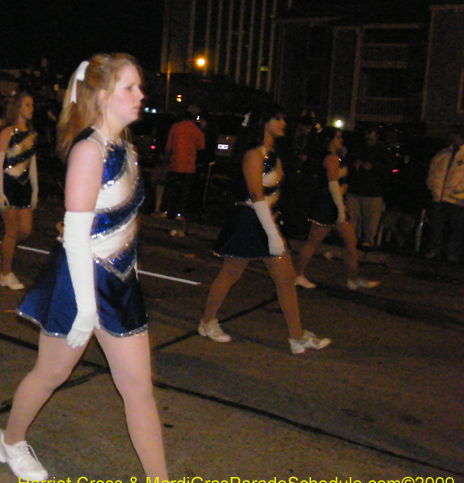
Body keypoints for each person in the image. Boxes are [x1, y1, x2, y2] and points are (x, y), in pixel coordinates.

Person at [0, 55, 198, 483]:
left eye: (139, 87)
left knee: (138, 388)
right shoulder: (89, 150)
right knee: (51, 373)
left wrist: (129, 276)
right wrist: (86, 309)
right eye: (130, 88)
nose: (141, 95)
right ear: (103, 96)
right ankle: (9, 441)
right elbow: (77, 236)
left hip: (118, 282)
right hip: (79, 279)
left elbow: (125, 224)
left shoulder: (126, 149)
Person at [198, 104, 330, 355]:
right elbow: (256, 194)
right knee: (231, 273)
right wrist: (272, 233)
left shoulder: (275, 154)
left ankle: (296, 337)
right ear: (263, 123)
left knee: (285, 279)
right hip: (250, 222)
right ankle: (207, 321)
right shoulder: (253, 154)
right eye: (277, 119)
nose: (283, 123)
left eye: (283, 119)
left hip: (268, 220)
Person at [293, 126, 379, 291]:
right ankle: (297, 274)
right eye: (338, 137)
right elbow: (332, 185)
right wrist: (340, 210)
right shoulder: (330, 158)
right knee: (313, 242)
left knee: (350, 242)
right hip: (328, 205)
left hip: (337, 203)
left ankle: (353, 278)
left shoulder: (337, 157)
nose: (341, 140)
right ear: (330, 140)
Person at [0, 91, 38, 291]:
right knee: (12, 230)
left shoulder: (32, 134)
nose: (31, 109)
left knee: (25, 231)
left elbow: (32, 164)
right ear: (17, 107)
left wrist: (35, 190)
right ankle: (6, 274)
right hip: (7, 184)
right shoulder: (7, 133)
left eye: (32, 105)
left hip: (24, 186)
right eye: (27, 105)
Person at [346, 126, 392, 247]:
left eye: (371, 138)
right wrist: (355, 164)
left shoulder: (382, 152)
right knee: (352, 217)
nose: (369, 141)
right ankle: (352, 239)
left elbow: (388, 170)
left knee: (371, 220)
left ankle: (368, 241)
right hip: (355, 188)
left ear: (377, 137)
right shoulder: (358, 148)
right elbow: (348, 161)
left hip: (373, 191)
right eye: (367, 138)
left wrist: (373, 167)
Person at [424, 124, 464, 263]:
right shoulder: (443, 153)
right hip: (439, 196)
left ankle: (452, 253)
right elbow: (433, 170)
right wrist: (432, 186)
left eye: (454, 134)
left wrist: (458, 189)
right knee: (436, 225)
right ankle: (435, 250)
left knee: (456, 228)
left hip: (457, 199)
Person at [162, 104, 205, 223]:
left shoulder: (175, 127)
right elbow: (201, 147)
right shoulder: (196, 130)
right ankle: (179, 213)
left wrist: (166, 160)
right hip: (189, 166)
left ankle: (167, 211)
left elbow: (169, 147)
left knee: (171, 189)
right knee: (184, 192)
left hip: (174, 163)